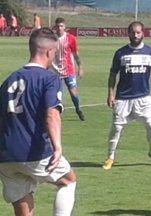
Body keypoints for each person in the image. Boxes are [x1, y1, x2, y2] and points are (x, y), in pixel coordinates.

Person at [0, 28, 76, 216]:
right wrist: (57, 147)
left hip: (5, 156)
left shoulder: (9, 80)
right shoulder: (49, 79)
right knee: (68, 181)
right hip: (34, 151)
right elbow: (52, 114)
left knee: (23, 207)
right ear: (49, 52)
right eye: (55, 53)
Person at [102, 21, 151, 170]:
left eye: (138, 32)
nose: (135, 35)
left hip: (144, 98)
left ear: (143, 33)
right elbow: (113, 74)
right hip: (123, 99)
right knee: (116, 129)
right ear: (128, 33)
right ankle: (110, 157)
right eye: (133, 32)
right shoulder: (120, 53)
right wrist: (110, 93)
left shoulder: (150, 52)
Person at [52, 17, 85, 121]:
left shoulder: (71, 38)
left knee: (73, 93)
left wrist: (80, 66)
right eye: (57, 26)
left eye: (61, 26)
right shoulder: (51, 39)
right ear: (55, 27)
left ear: (65, 27)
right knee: (58, 95)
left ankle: (78, 108)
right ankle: (57, 116)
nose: (59, 28)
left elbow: (76, 54)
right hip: (55, 72)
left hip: (69, 70)